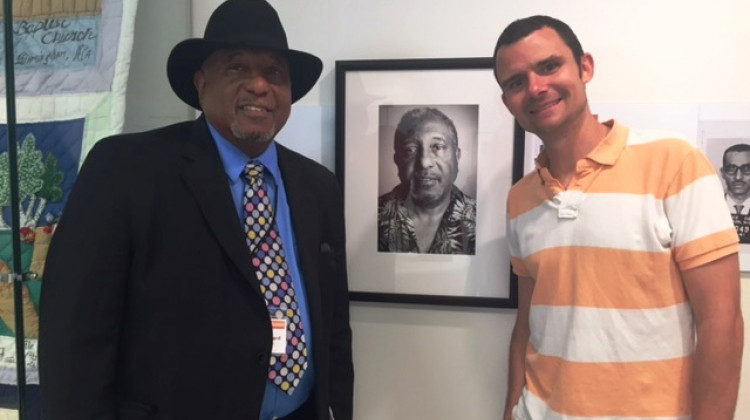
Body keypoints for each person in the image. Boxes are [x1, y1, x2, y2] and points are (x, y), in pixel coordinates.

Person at [38, 1, 354, 419]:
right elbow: (73, 337)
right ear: (202, 83)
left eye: (274, 72)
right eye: (238, 68)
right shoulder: (126, 169)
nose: (260, 86)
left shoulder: (318, 186)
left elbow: (334, 324)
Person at [493, 15, 743, 420]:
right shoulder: (520, 199)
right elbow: (528, 324)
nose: (536, 88)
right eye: (516, 82)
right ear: (508, 102)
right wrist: (510, 410)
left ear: (585, 67)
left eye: (549, 66)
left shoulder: (675, 163)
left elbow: (722, 323)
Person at [377, 107, 476, 255]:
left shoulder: (480, 219)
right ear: (397, 161)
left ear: (457, 156)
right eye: (410, 149)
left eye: (437, 147)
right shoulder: (375, 215)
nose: (424, 162)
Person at [721, 143, 750, 242]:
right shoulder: (708, 209)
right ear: (723, 173)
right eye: (731, 169)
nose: (738, 177)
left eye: (746, 169)